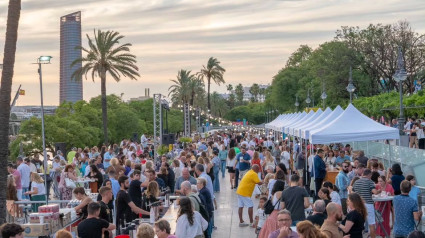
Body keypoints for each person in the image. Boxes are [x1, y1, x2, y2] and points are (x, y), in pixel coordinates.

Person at [352, 169, 380, 238]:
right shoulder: (370, 182)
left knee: (359, 224)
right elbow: (375, 192)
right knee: (371, 224)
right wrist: (379, 191)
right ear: (369, 175)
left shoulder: (357, 182)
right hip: (368, 204)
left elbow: (352, 193)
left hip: (359, 205)